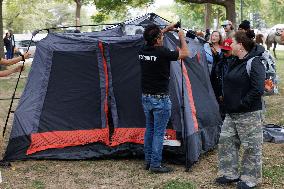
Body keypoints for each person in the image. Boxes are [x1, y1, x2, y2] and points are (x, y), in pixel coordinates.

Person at [215, 30, 266, 189]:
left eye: (233, 42)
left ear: (241, 45)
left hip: (248, 113)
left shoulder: (255, 62)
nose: (231, 44)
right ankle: (230, 174)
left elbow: (258, 89)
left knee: (251, 146)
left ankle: (250, 178)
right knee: (226, 142)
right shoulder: (235, 60)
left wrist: (242, 103)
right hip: (232, 113)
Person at [139, 23, 189, 173]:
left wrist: (166, 29)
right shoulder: (162, 52)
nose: (162, 37)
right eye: (161, 36)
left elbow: (152, 37)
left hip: (146, 98)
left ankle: (148, 161)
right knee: (159, 133)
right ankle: (155, 165)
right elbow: (185, 54)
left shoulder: (142, 49)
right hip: (160, 100)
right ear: (158, 40)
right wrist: (181, 38)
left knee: (150, 130)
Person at [210, 38, 235, 120]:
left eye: (227, 51)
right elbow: (216, 77)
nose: (224, 53)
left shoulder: (236, 61)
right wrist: (220, 93)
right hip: (221, 94)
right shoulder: (221, 61)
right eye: (223, 50)